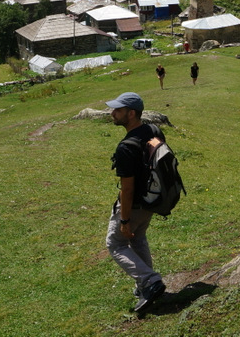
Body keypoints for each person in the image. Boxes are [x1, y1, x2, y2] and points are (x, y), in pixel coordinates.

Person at [105, 92, 166, 313]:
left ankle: (150, 281)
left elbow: (127, 189)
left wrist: (125, 219)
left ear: (131, 113)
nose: (112, 114)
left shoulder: (126, 148)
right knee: (138, 237)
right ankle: (144, 286)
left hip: (136, 203)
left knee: (116, 244)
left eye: (117, 110)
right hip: (153, 198)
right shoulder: (152, 130)